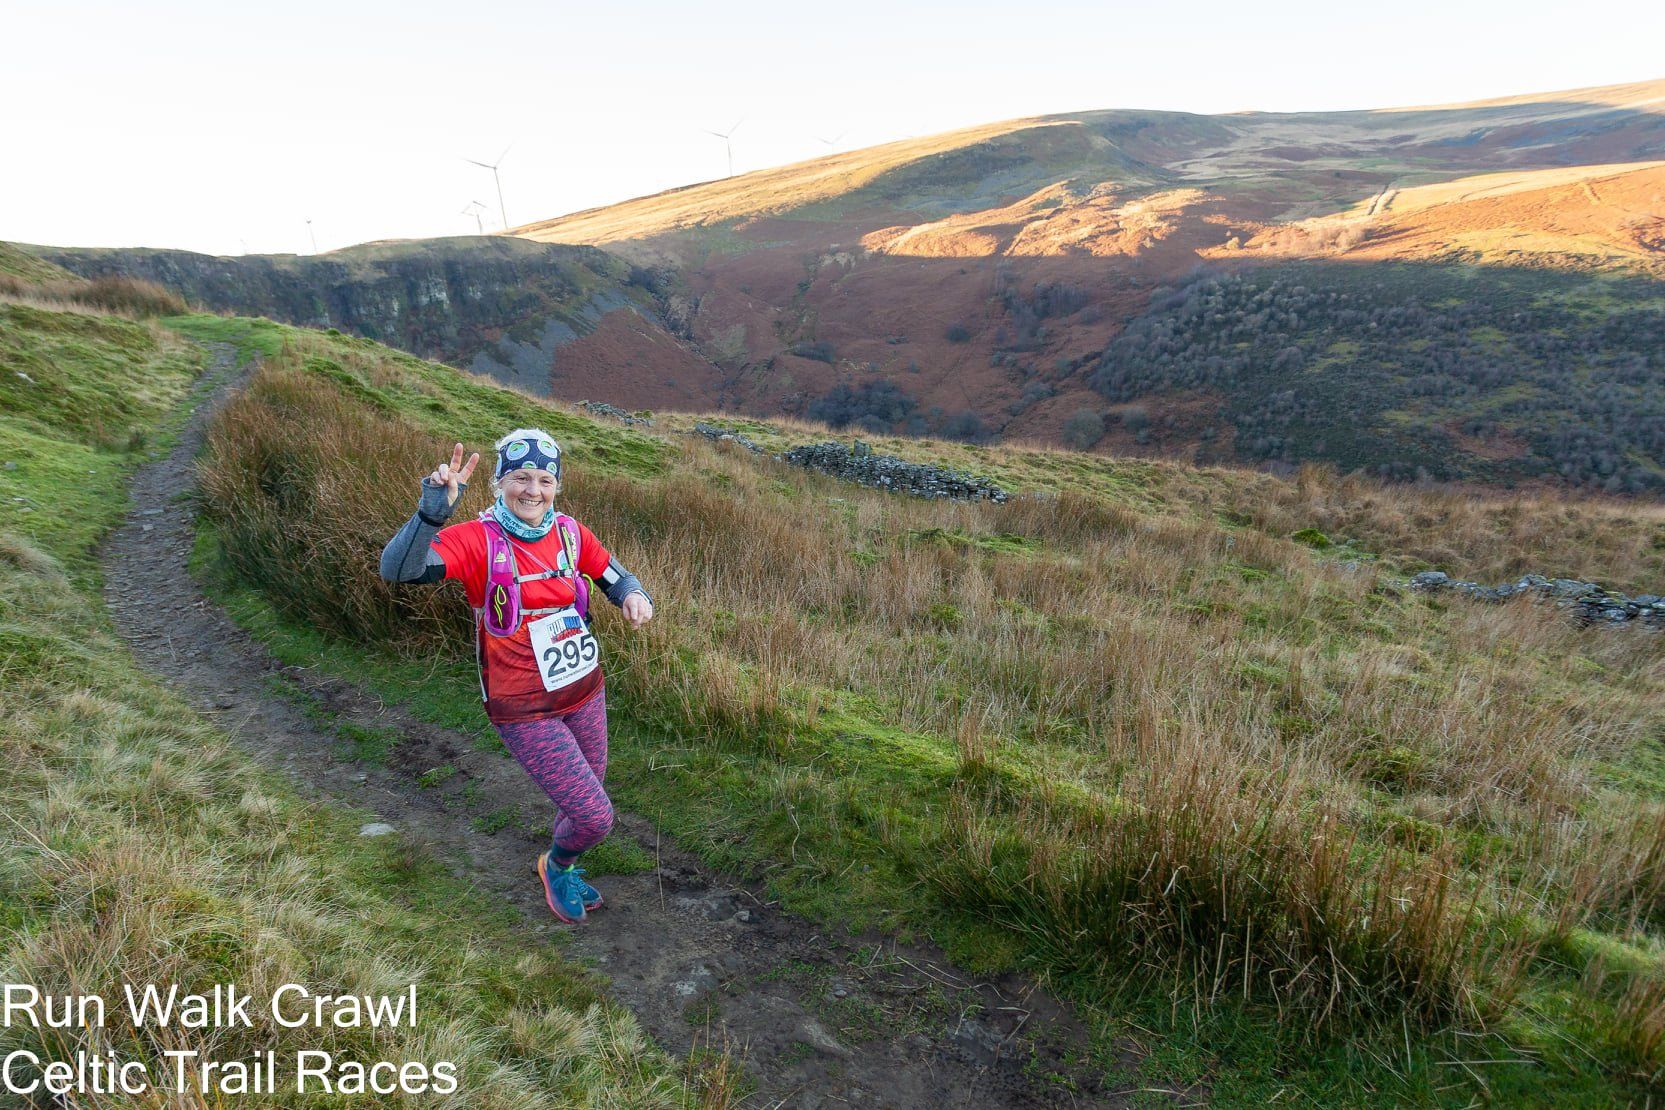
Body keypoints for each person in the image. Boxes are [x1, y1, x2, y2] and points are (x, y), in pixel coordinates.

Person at [379, 428, 654, 925]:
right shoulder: (478, 541)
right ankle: (558, 865)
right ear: (499, 483)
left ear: (556, 486)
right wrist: (432, 510)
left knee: (584, 796)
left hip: (584, 692)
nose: (533, 490)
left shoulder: (570, 533)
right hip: (524, 708)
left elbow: (616, 577)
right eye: (521, 478)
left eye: (545, 480)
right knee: (595, 816)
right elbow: (399, 570)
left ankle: (564, 865)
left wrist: (636, 597)